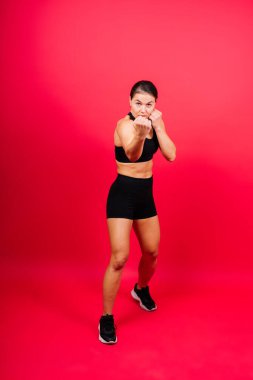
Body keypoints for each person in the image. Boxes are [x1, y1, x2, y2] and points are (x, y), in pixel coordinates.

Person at [98, 80, 176, 344]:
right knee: (120, 257)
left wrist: (159, 126)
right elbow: (132, 155)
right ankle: (106, 318)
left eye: (149, 104)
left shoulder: (154, 122)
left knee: (152, 252)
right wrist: (142, 133)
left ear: (156, 105)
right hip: (122, 195)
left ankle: (140, 289)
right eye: (138, 103)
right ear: (130, 102)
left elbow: (171, 154)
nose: (143, 109)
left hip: (145, 196)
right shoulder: (124, 125)